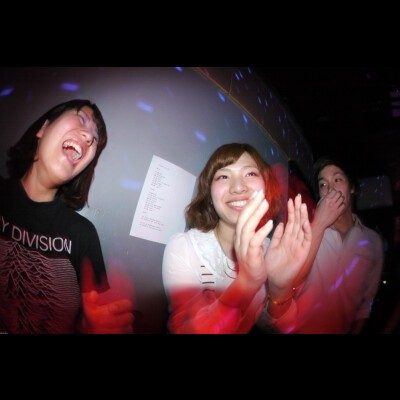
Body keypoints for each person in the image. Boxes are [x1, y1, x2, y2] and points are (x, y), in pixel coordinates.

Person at [0, 99, 134, 334]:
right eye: (81, 119)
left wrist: (89, 327)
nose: (89, 136)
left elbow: (97, 314)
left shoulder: (83, 234)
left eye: (94, 139)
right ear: (43, 128)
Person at [162, 143, 312, 334]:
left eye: (250, 174)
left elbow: (278, 327)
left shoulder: (274, 253)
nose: (238, 187)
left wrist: (280, 290)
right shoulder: (185, 247)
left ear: (267, 187)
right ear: (209, 194)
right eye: (223, 176)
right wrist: (246, 283)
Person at [283, 155, 384, 333]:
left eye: (337, 180)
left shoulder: (372, 242)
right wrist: (319, 223)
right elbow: (288, 283)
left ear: (351, 188)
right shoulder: (304, 229)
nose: (330, 189)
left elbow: (364, 305)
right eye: (323, 184)